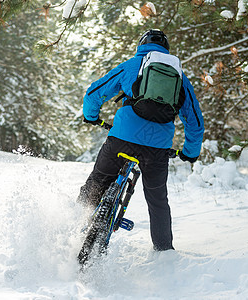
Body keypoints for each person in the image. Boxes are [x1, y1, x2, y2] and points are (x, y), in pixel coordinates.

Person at [78, 29, 204, 251]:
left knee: (98, 180)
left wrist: (92, 117)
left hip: (122, 138)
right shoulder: (180, 78)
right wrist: (189, 152)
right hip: (157, 148)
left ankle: (72, 225)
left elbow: (94, 93)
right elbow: (194, 121)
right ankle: (164, 251)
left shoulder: (133, 65)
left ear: (141, 45)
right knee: (157, 201)